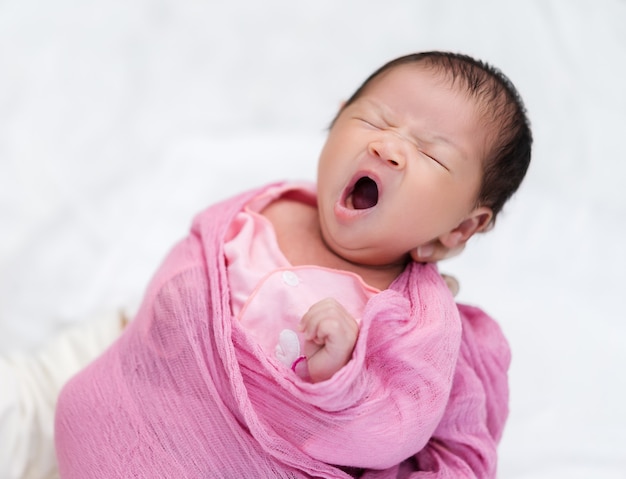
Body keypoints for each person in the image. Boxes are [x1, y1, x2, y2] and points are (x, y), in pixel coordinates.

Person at [49, 51, 528, 478]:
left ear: (459, 229)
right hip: (117, 416)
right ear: (337, 120)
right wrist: (179, 310)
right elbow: (182, 288)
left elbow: (397, 425)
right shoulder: (261, 207)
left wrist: (342, 380)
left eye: (429, 152)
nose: (388, 147)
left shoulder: (413, 320)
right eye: (375, 120)